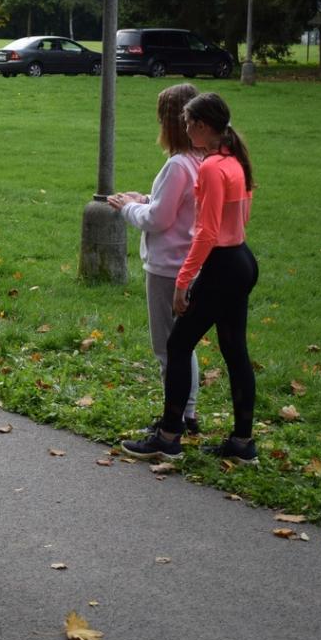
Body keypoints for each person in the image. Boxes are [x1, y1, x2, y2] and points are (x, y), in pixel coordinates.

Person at [122, 92, 258, 464]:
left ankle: (168, 436)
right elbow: (241, 215)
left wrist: (183, 282)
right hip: (242, 260)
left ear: (200, 126)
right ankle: (243, 441)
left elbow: (207, 233)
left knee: (178, 345)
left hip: (222, 264)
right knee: (235, 351)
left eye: (187, 124)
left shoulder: (212, 167)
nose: (183, 130)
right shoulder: (235, 160)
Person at [108, 83, 203, 434]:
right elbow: (175, 206)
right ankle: (187, 412)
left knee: (166, 346)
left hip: (167, 266)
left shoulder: (178, 165)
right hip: (189, 261)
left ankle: (174, 417)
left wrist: (127, 208)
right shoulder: (199, 160)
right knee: (184, 343)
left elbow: (160, 219)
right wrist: (145, 199)